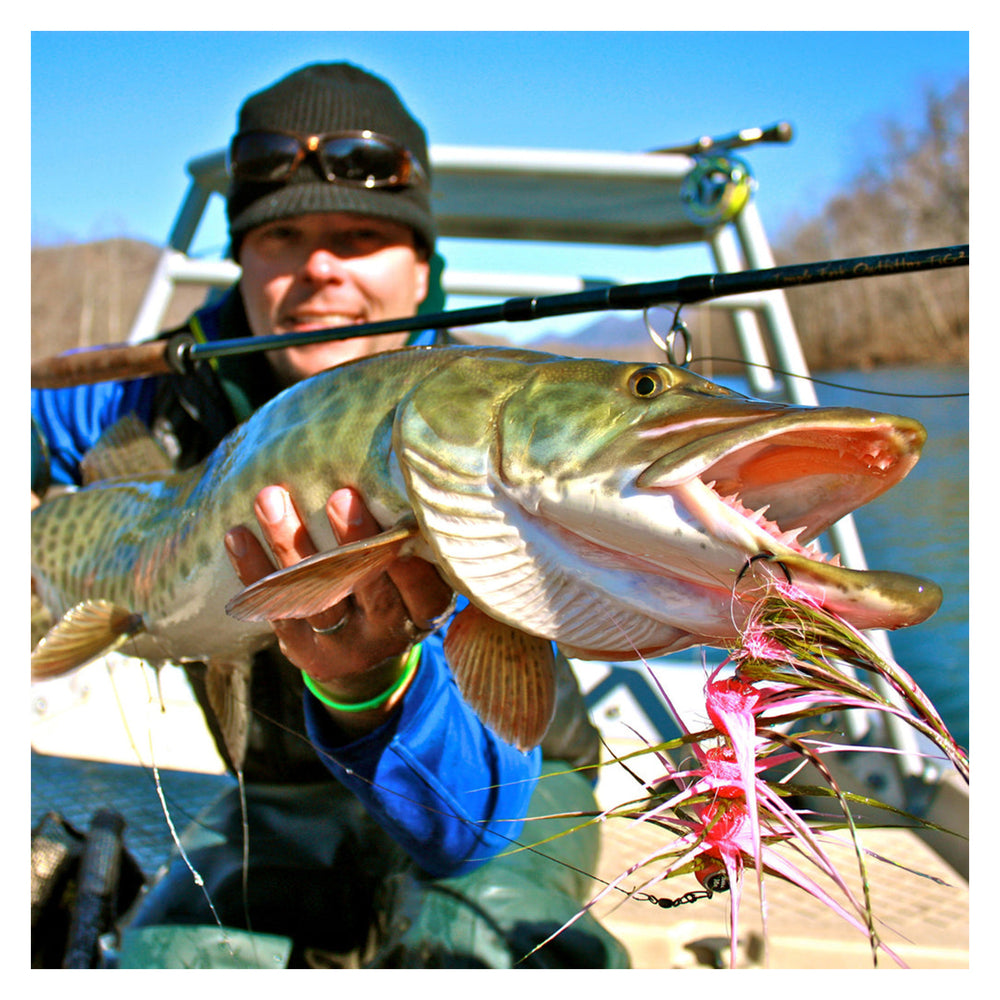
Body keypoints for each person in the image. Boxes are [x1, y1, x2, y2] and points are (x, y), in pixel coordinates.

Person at [31, 62, 629, 969]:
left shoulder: (484, 423)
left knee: (473, 950)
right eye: (285, 235)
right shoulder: (154, 400)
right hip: (280, 799)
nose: (320, 268)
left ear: (422, 262)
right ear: (243, 258)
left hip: (518, 791)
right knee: (168, 966)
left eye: (360, 235)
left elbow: (468, 829)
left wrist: (361, 682)